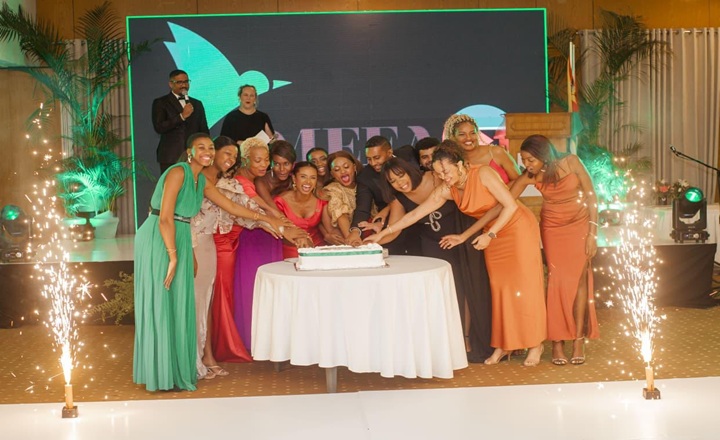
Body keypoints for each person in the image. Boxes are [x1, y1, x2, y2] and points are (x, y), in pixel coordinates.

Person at [365, 140, 547, 367]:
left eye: (447, 171)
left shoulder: (483, 174)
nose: (444, 176)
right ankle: (505, 344)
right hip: (490, 234)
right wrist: (383, 234)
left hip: (516, 229)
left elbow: (510, 206)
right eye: (439, 172)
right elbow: (415, 215)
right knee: (500, 290)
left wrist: (489, 235)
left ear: (460, 164)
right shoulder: (446, 189)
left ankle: (535, 344)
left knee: (525, 287)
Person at [133, 133, 285, 392]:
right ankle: (160, 371)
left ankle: (178, 369)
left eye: (210, 147)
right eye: (201, 147)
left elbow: (232, 207)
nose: (207, 151)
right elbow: (165, 217)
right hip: (161, 237)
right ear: (189, 151)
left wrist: (268, 219)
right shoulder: (178, 173)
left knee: (180, 304)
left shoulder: (200, 180)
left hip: (182, 235)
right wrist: (173, 255)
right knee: (163, 302)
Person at [362, 157, 493, 361]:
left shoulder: (436, 178)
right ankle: (450, 341)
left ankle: (469, 338)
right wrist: (375, 241)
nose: (399, 183)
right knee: (447, 293)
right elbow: (399, 226)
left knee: (469, 288)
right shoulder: (399, 198)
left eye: (401, 176)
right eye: (392, 181)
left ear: (409, 170)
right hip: (433, 246)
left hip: (462, 238)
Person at [191, 136, 288, 375]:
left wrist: (279, 226)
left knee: (209, 302)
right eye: (226, 153)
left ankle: (207, 355)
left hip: (212, 246)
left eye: (234, 156)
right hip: (192, 244)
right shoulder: (194, 178)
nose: (230, 159)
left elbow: (246, 209)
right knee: (198, 302)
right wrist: (268, 219)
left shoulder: (229, 183)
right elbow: (236, 209)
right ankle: (196, 358)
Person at [515, 134, 599, 365]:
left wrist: (593, 233)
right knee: (556, 282)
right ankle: (557, 341)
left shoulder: (571, 162)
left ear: (544, 155)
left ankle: (579, 340)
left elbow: (591, 195)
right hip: (553, 228)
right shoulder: (531, 175)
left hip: (580, 224)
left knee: (580, 281)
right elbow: (506, 199)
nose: (526, 164)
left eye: (530, 159)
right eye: (524, 160)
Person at [347, 136, 418, 255]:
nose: (373, 163)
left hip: (421, 221)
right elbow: (362, 208)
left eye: (377, 158)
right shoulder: (365, 177)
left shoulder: (408, 154)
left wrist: (387, 208)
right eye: (369, 159)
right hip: (390, 226)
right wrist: (355, 231)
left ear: (389, 153)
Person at [151, 70, 209, 174]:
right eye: (179, 82)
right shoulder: (161, 102)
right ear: (170, 84)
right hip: (171, 156)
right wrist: (181, 116)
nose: (184, 85)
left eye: (186, 82)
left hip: (195, 156)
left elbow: (204, 130)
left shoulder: (197, 103)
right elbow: (159, 127)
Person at [443, 114, 519, 184]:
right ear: (453, 137)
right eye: (462, 134)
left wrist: (500, 193)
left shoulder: (496, 152)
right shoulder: (452, 162)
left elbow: (518, 181)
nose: (468, 138)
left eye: (473, 133)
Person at [274, 162, 326, 257]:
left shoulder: (321, 201)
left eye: (313, 178)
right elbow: (278, 231)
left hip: (317, 250)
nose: (308, 182)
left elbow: (329, 230)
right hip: (289, 251)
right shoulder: (280, 201)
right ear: (294, 178)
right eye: (303, 177)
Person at [321, 151, 362, 244]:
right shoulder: (332, 189)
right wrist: (351, 240)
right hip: (345, 238)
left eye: (346, 167)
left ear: (354, 167)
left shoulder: (363, 184)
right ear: (332, 174)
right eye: (336, 169)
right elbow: (341, 216)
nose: (343, 171)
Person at [256, 140, 296, 208]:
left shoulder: (296, 179)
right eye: (277, 164)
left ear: (293, 164)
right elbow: (271, 208)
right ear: (270, 163)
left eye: (286, 164)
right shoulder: (261, 181)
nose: (282, 169)